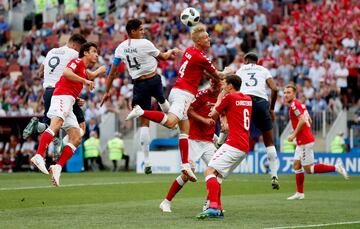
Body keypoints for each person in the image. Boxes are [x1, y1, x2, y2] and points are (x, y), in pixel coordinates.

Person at [125, 23, 233, 182]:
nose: (208, 39)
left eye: (208, 36)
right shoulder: (200, 56)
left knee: (184, 130)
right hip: (183, 94)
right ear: (198, 42)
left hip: (179, 91)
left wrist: (214, 76)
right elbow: (218, 75)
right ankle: (141, 112)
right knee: (170, 122)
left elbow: (201, 71)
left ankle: (185, 166)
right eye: (205, 37)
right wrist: (227, 72)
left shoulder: (190, 51)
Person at [101, 18, 179, 175]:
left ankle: (147, 161)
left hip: (139, 84)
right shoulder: (146, 44)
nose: (143, 31)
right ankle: (173, 121)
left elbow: (113, 71)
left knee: (145, 123)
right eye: (141, 29)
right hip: (153, 79)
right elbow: (163, 57)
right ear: (133, 31)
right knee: (162, 99)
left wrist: (107, 90)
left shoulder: (121, 47)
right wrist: (170, 52)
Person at [31, 42, 105, 186]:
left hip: (69, 101)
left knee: (77, 137)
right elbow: (66, 73)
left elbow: (89, 75)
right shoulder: (76, 61)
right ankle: (39, 155)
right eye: (94, 51)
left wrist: (97, 73)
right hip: (61, 97)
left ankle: (57, 167)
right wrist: (86, 80)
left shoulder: (83, 69)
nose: (96, 54)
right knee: (56, 124)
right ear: (85, 53)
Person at [160, 79, 221, 213]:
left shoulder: (222, 97)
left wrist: (217, 136)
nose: (213, 86)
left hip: (208, 142)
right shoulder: (201, 95)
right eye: (212, 83)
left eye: (216, 84)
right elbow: (188, 111)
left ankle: (210, 203)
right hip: (193, 139)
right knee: (187, 173)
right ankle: (166, 202)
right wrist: (204, 120)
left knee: (217, 172)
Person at [196, 75, 252, 219]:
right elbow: (231, 118)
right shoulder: (248, 99)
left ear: (230, 86)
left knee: (209, 171)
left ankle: (213, 206)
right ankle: (218, 209)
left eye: (224, 84)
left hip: (234, 144)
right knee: (218, 176)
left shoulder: (229, 98)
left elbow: (212, 115)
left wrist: (220, 99)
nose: (222, 87)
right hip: (244, 145)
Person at [283, 84, 349, 200]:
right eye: (285, 92)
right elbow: (308, 119)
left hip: (304, 140)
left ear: (294, 94)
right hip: (303, 139)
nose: (286, 95)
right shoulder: (300, 105)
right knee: (296, 165)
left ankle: (336, 167)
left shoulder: (294, 105)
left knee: (309, 169)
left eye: (288, 92)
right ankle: (300, 193)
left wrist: (293, 134)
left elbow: (303, 120)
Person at [22, 34, 87, 147]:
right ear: (75, 46)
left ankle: (39, 126)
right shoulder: (74, 54)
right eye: (80, 49)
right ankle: (63, 146)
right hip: (62, 92)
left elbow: (40, 72)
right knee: (81, 125)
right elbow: (84, 72)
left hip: (48, 92)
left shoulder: (51, 51)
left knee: (50, 125)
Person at [235, 52, 280, 190]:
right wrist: (271, 109)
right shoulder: (263, 70)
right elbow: (275, 88)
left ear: (247, 60)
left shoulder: (241, 69)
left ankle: (221, 154)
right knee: (269, 141)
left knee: (238, 134)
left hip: (245, 101)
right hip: (261, 102)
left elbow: (234, 87)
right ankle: (274, 175)